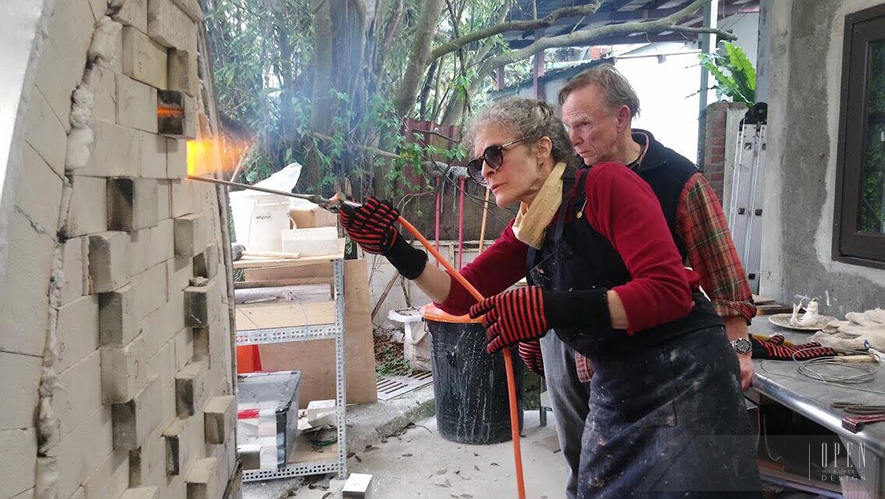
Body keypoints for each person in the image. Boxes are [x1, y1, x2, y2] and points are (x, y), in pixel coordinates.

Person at [339, 97, 760, 497]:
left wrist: (550, 308)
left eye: (494, 155)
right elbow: (459, 297)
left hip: (684, 376)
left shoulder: (607, 184)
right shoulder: (530, 227)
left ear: (542, 150)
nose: (485, 171)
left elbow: (668, 293)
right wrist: (395, 248)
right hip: (618, 378)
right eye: (477, 163)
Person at [510, 64, 759, 498]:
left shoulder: (676, 177)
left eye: (584, 125)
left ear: (621, 117)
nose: (574, 139)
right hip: (570, 341)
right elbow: (539, 251)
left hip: (646, 349)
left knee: (654, 468)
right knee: (582, 458)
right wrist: (535, 324)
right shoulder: (566, 179)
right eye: (568, 128)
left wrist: (738, 345)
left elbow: (719, 263)